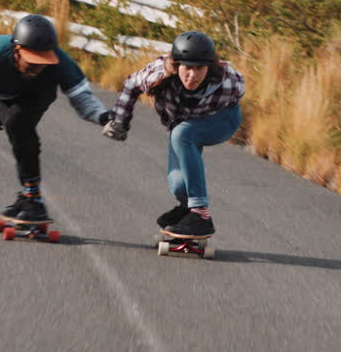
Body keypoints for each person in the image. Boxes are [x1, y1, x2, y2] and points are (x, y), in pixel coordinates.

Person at [0, 14, 112, 222]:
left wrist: (103, 117)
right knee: (16, 128)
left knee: (19, 127)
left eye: (43, 62)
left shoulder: (60, 62)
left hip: (37, 94)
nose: (37, 68)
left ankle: (33, 200)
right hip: (0, 92)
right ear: (16, 51)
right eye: (32, 63)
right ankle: (27, 196)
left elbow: (81, 97)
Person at [102, 31, 244, 238]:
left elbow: (241, 91)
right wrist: (121, 121)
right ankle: (187, 208)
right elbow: (131, 84)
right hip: (183, 126)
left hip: (221, 120)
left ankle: (200, 215)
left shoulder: (227, 78)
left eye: (199, 69)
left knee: (182, 134)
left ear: (209, 67)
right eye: (187, 68)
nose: (193, 75)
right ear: (177, 65)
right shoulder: (158, 73)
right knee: (178, 184)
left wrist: (205, 115)